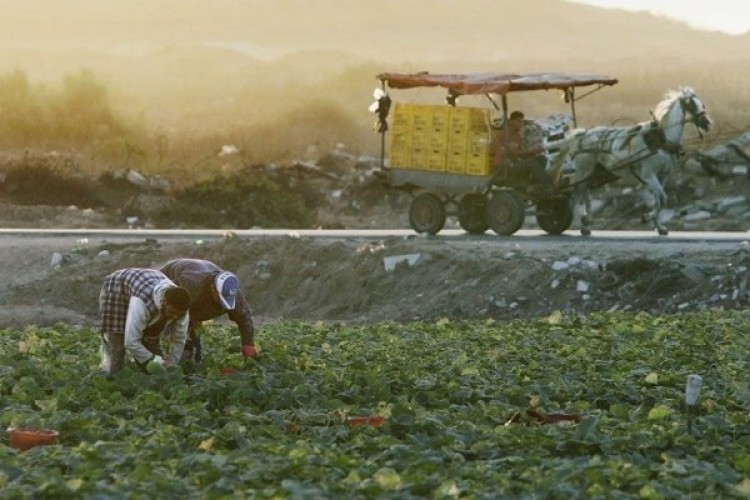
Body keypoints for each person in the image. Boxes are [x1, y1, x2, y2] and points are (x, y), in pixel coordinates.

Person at [158, 258, 258, 365]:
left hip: (195, 302)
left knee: (194, 355)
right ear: (213, 288)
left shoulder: (232, 293)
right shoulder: (190, 284)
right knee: (165, 330)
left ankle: (189, 360)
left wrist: (248, 344)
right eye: (220, 299)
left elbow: (244, 317)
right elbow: (165, 298)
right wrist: (187, 316)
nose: (221, 304)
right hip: (168, 280)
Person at [99, 268, 191, 376]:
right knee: (118, 348)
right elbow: (131, 342)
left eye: (178, 314)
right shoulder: (141, 301)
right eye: (172, 312)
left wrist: (171, 365)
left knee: (153, 352)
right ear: (164, 302)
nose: (174, 316)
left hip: (147, 282)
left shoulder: (182, 309)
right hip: (117, 289)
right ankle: (113, 378)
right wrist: (158, 361)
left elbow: (178, 339)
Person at [494, 110, 552, 190]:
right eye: (518, 121)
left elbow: (521, 152)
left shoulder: (517, 135)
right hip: (504, 166)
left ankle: (534, 185)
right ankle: (548, 186)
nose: (521, 124)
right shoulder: (506, 135)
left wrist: (535, 152)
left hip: (514, 163)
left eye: (521, 122)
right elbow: (515, 153)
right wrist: (532, 151)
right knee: (530, 162)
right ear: (511, 122)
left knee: (541, 159)